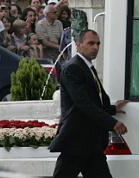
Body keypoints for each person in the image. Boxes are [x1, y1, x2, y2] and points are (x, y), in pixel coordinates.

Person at [50, 29, 128, 178]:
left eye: (98, 43)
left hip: (91, 142)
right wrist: (112, 123)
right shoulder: (73, 67)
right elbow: (82, 103)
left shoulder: (86, 67)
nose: (95, 47)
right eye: (90, 43)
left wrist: (112, 109)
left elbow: (94, 100)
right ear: (78, 45)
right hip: (76, 140)